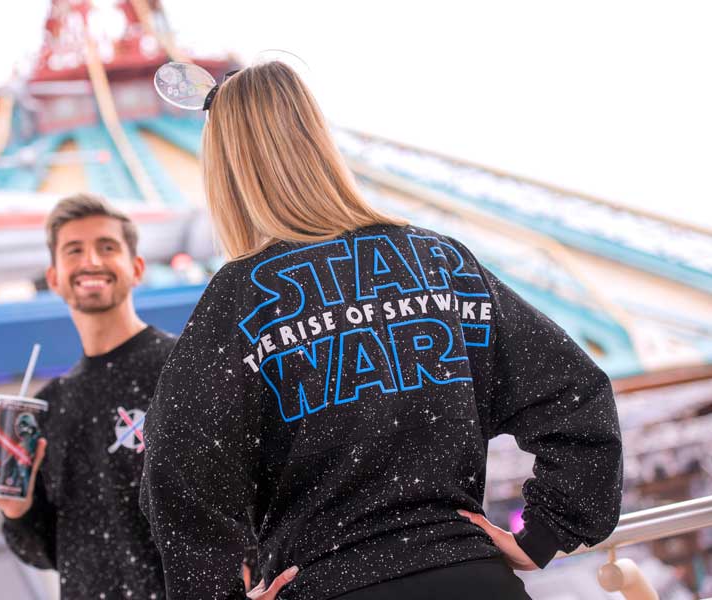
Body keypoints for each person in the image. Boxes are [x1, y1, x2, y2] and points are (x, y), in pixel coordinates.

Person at [139, 61, 623, 600]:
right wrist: (544, 534)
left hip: (330, 585)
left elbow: (176, 469)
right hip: (474, 579)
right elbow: (576, 393)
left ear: (227, 169)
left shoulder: (241, 296)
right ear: (317, 137)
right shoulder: (441, 262)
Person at [0, 193, 179, 599]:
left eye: (107, 247)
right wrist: (16, 509)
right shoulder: (47, 409)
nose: (92, 262)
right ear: (54, 277)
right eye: (74, 250)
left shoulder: (182, 367)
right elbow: (50, 552)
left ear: (136, 268)